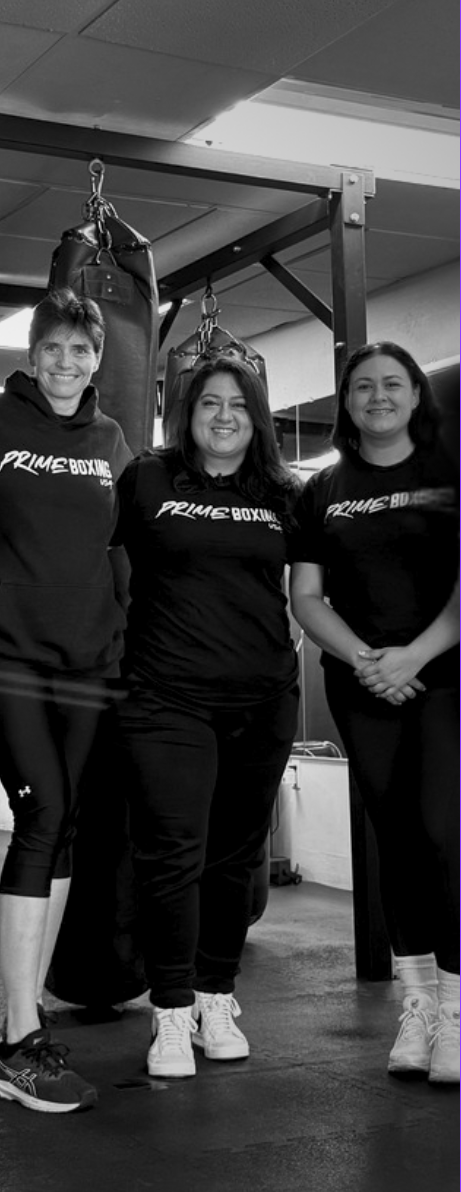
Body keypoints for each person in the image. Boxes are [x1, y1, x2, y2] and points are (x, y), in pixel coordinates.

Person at [0, 289, 131, 1113]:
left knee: (66, 826)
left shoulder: (111, 439)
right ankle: (17, 1040)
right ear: (31, 352)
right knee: (43, 814)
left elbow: (124, 549)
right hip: (7, 657)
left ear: (98, 358)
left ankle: (29, 1020)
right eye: (52, 347)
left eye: (81, 351)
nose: (66, 363)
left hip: (89, 662)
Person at [112, 356, 300, 1079]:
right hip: (166, 698)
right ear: (186, 414)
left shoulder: (284, 493)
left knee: (234, 856)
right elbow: (89, 558)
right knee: (173, 854)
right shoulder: (149, 479)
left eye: (239, 406)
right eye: (210, 404)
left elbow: (314, 584)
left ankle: (216, 997)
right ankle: (169, 1012)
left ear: (258, 419)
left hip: (263, 698)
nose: (224, 416)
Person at [290, 342, 458, 1085]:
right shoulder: (322, 489)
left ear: (417, 396)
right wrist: (368, 661)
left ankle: (455, 1012)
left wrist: (414, 655)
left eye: (393, 384)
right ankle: (416, 1008)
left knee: (444, 834)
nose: (378, 396)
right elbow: (306, 598)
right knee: (395, 839)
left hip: (444, 677)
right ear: (346, 402)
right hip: (363, 687)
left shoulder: (450, 474)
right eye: (363, 386)